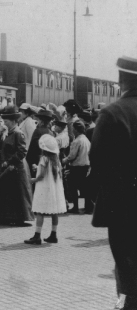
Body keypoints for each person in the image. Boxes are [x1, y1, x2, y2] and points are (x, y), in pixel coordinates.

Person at [91, 56, 137, 309]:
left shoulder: (113, 112)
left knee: (128, 264)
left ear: (121, 80)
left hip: (124, 204)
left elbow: (98, 161)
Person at [0, 106, 34, 225]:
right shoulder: (8, 133)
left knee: (18, 193)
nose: (4, 124)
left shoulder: (18, 133)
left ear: (13, 121)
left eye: (6, 122)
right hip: (10, 167)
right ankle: (10, 217)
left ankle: (19, 218)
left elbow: (22, 151)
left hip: (17, 167)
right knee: (10, 192)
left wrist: (9, 161)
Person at [24, 134, 67, 245]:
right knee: (54, 212)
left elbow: (42, 175)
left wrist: (33, 180)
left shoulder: (43, 158)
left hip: (44, 188)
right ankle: (54, 234)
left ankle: (37, 235)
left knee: (40, 211)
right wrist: (37, 168)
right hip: (54, 189)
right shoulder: (56, 160)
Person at [62, 121, 91, 214]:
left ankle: (76, 207)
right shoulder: (86, 140)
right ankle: (88, 207)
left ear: (75, 129)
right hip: (86, 166)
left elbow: (72, 156)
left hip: (77, 167)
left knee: (73, 187)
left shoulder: (77, 141)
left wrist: (63, 160)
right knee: (85, 188)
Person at [26, 109, 54, 178]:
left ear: (41, 120)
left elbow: (32, 147)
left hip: (37, 160)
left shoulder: (38, 131)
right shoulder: (51, 133)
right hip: (48, 160)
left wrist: (29, 160)